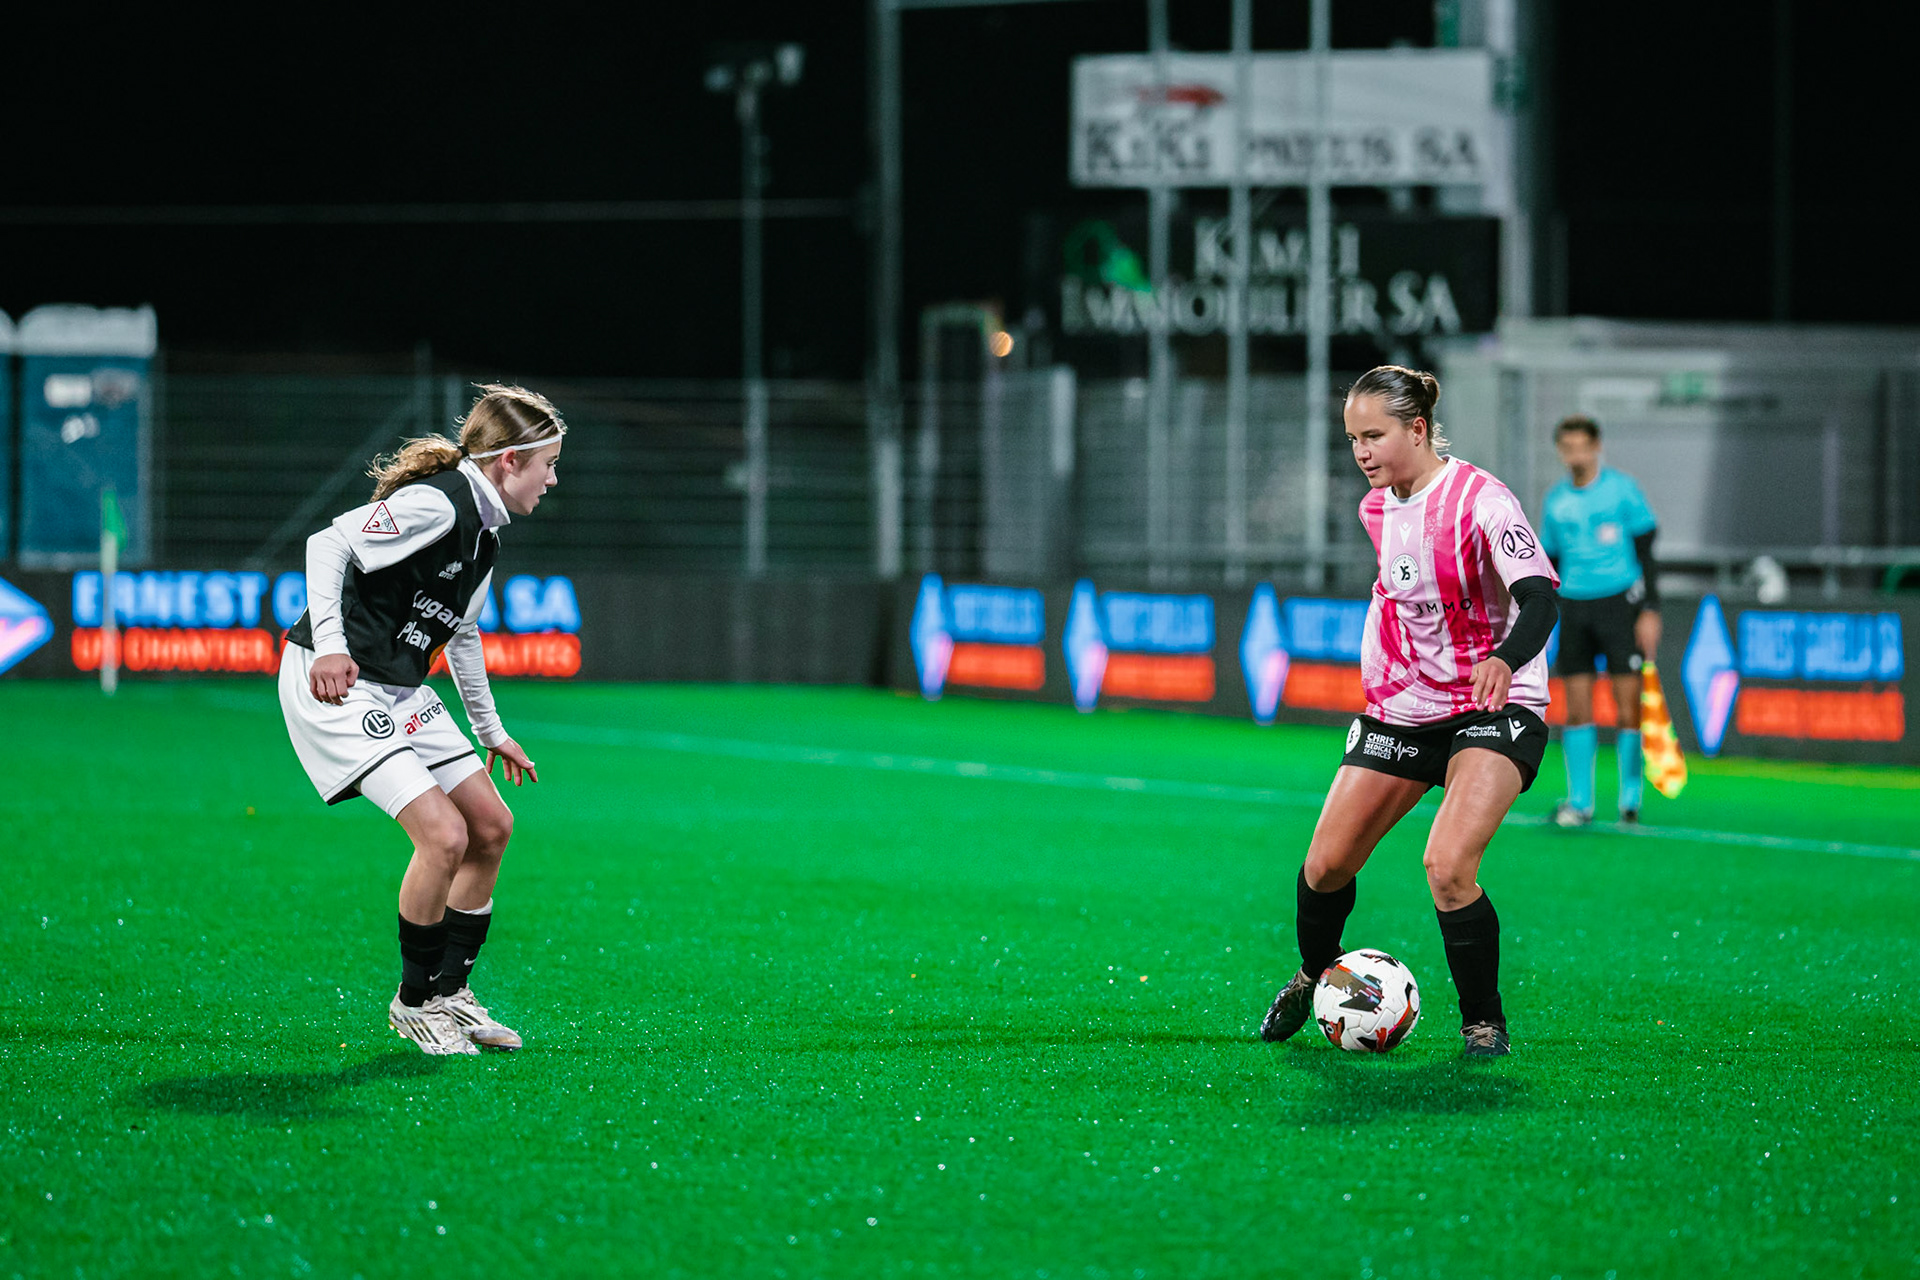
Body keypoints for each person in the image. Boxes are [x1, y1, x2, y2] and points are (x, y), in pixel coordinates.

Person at [1259, 366, 1559, 1058]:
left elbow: (1540, 597)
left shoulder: (1482, 501)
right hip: (1405, 707)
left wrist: (1505, 659)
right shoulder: (1376, 509)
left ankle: (1484, 1022)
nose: (1361, 451)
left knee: (1448, 864)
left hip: (1495, 703)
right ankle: (1313, 976)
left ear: (1417, 429)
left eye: (1374, 435)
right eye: (1352, 438)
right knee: (1325, 866)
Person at [277, 384, 564, 1055]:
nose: (553, 479)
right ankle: (412, 1003)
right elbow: (328, 544)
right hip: (338, 683)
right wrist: (332, 647)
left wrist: (490, 730)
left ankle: (449, 992)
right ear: (508, 462)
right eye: (547, 463)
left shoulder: (485, 536)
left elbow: (459, 633)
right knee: (442, 836)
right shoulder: (439, 503)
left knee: (491, 827)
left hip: (398, 687)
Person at [1536, 415, 1661, 827]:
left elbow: (1647, 552)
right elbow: (1550, 562)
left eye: (1581, 446)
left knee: (1628, 707)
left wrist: (1650, 609)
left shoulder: (1622, 490)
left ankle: (1629, 799)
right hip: (1574, 605)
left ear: (1596, 447)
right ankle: (1580, 803)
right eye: (1567, 447)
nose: (1574, 455)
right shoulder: (1555, 501)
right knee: (1577, 708)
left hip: (1618, 604)